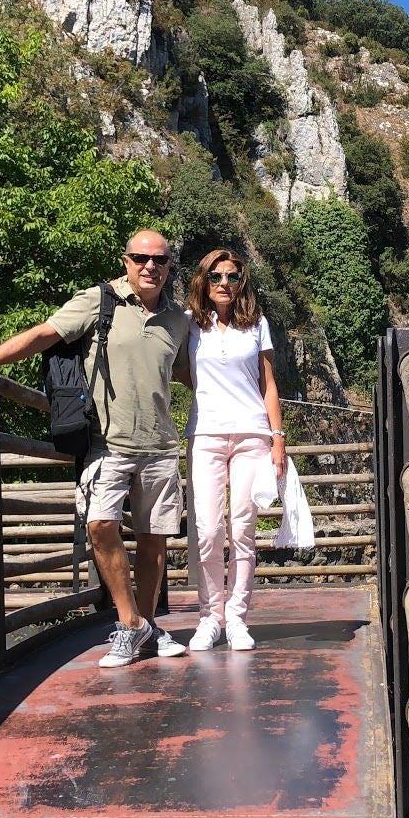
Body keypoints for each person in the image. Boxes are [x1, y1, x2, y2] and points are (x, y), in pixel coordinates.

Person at [0, 230, 191, 669]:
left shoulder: (177, 319)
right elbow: (44, 333)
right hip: (107, 442)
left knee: (154, 541)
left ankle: (145, 629)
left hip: (159, 446)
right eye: (140, 258)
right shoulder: (100, 301)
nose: (150, 266)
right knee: (100, 525)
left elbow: (193, 373)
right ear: (126, 260)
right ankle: (129, 622)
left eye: (159, 260)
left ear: (170, 265)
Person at [184, 248, 287, 653]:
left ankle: (237, 618)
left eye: (232, 275)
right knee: (208, 531)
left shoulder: (256, 323)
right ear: (203, 281)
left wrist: (278, 438)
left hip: (252, 434)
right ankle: (209, 616)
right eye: (216, 276)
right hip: (206, 434)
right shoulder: (190, 325)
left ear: (241, 280)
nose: (224, 283)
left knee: (243, 528)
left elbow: (269, 384)